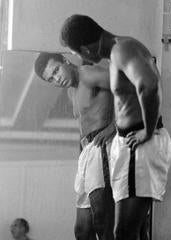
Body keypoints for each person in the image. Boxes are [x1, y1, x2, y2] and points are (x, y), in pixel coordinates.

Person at [60, 14, 171, 240]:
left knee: (123, 232)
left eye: (78, 53)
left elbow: (149, 86)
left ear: (85, 49)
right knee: (131, 230)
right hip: (128, 145)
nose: (82, 58)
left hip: (139, 144)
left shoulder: (123, 49)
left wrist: (147, 132)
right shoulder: (117, 53)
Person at [34, 52, 115, 240]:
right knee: (82, 230)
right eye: (51, 78)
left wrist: (114, 127)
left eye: (56, 70)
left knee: (103, 222)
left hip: (103, 148)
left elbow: (132, 88)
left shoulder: (90, 74)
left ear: (65, 61)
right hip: (87, 152)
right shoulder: (71, 90)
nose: (57, 79)